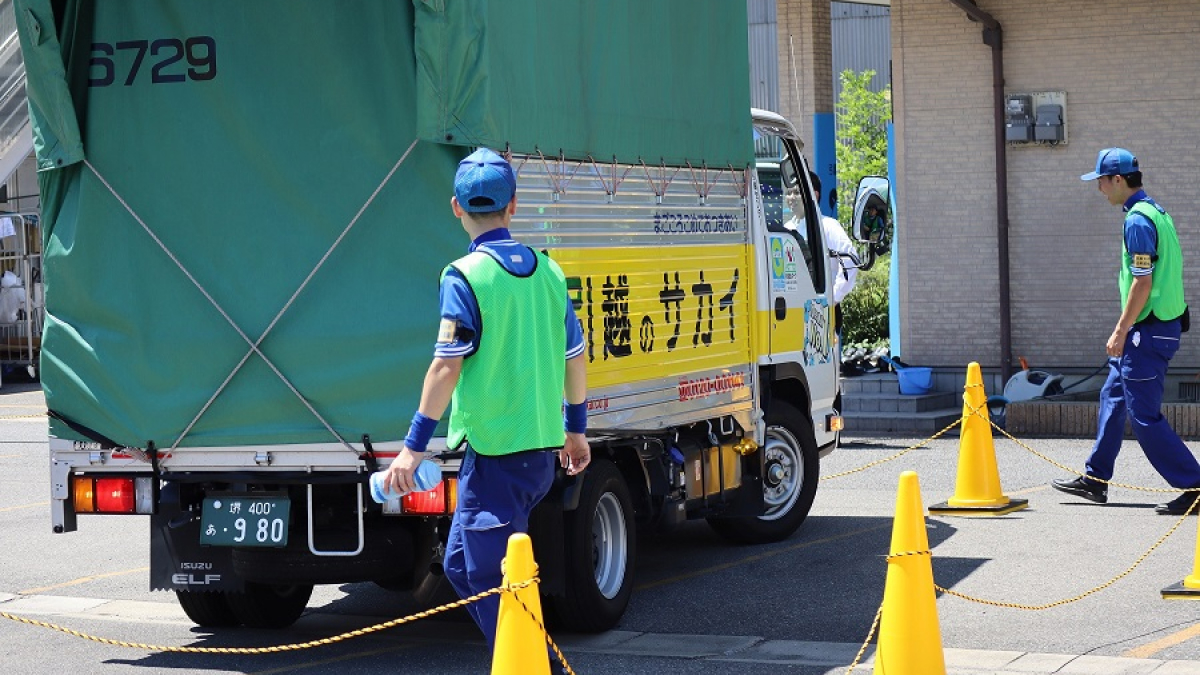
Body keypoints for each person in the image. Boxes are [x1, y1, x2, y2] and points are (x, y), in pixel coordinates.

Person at [383, 147, 591, 647]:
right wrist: (577, 430)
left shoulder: (464, 277)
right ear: (514, 205)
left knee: (489, 580)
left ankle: (527, 662)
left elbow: (446, 365)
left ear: (456, 207)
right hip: (537, 451)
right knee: (460, 564)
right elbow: (576, 357)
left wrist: (413, 447)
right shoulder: (549, 273)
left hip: (498, 453)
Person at [1052, 147, 1200, 515]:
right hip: (1155, 328)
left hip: (1146, 334)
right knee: (1113, 397)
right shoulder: (1156, 213)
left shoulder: (1137, 220)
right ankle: (1095, 479)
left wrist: (1120, 331)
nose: (1099, 188)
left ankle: (1194, 485)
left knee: (1144, 416)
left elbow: (1142, 283)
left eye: (1101, 181)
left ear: (1117, 179)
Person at [808, 171, 859, 309]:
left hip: (825, 312)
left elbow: (851, 260)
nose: (791, 197)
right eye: (789, 192)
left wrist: (833, 298)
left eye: (796, 192)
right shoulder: (787, 229)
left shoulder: (829, 226)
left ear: (814, 194)